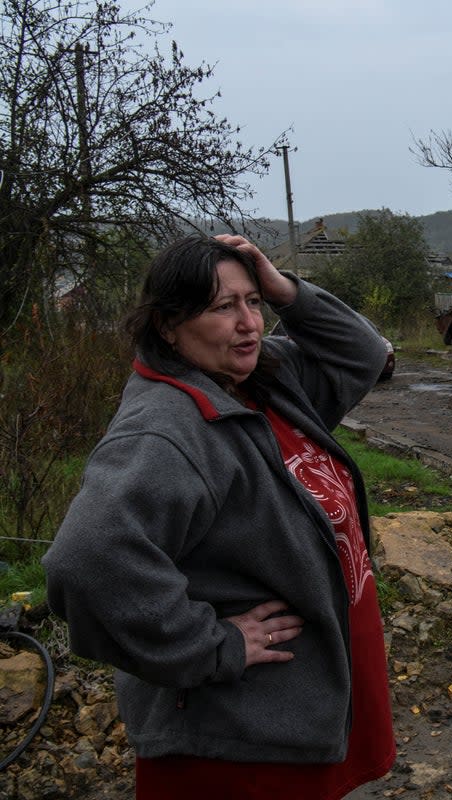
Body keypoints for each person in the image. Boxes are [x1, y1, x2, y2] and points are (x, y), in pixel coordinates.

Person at [42, 234, 396, 799]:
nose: (249, 324)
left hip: (298, 705)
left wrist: (284, 288)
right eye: (222, 307)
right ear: (167, 325)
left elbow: (365, 354)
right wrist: (212, 645)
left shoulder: (262, 383)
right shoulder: (167, 429)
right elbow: (87, 563)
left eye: (252, 302)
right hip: (236, 736)